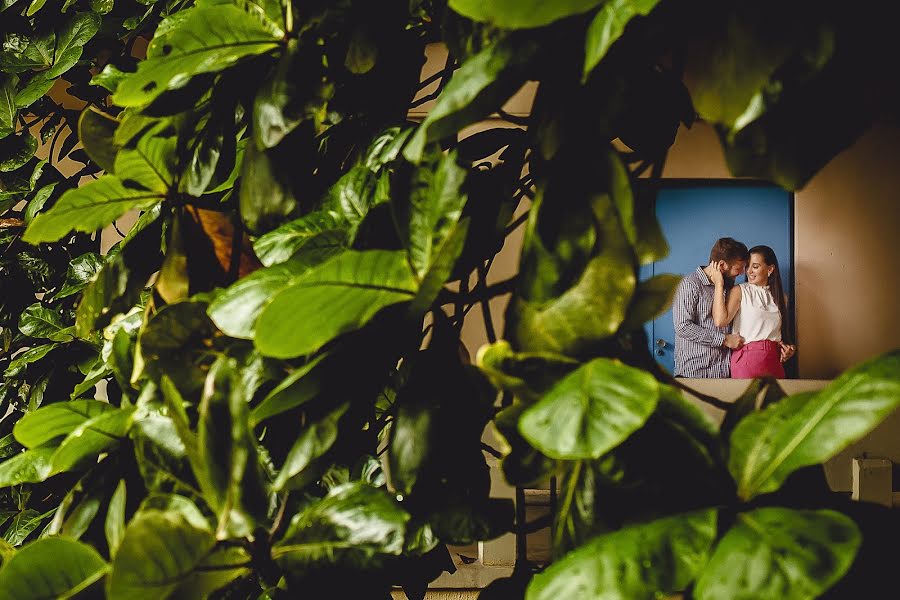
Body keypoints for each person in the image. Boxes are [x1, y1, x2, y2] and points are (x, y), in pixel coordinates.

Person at [710, 245, 796, 378]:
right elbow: (720, 321)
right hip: (747, 360)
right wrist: (719, 284)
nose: (749, 271)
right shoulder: (740, 291)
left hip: (774, 361)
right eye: (747, 266)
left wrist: (788, 350)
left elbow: (781, 334)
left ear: (770, 269)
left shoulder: (782, 298)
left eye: (755, 266)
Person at [672, 237, 749, 378]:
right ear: (721, 265)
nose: (743, 273)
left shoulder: (730, 288)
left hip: (723, 374)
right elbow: (682, 326)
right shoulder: (690, 284)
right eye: (738, 268)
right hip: (694, 373)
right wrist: (724, 340)